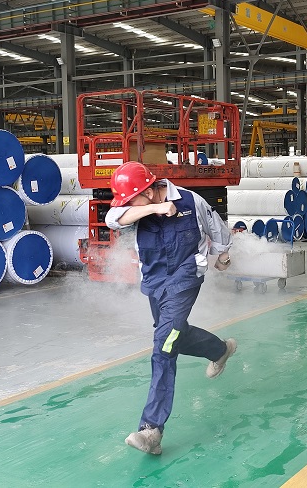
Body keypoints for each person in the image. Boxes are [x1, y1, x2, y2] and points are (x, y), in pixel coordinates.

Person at [106, 161, 237, 456]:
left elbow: (218, 231)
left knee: (164, 346)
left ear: (149, 190)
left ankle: (151, 430)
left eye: (132, 199)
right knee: (176, 335)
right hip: (154, 282)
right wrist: (155, 209)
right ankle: (220, 350)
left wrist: (223, 258)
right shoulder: (139, 207)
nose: (128, 205)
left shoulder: (191, 201)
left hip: (186, 278)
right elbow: (113, 219)